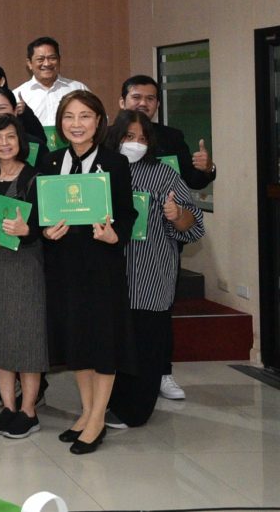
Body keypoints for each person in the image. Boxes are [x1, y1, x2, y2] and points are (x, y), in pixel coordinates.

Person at [38, 90, 136, 455]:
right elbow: (40, 213)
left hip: (101, 267)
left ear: (98, 122)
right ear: (60, 123)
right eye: (69, 117)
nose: (76, 124)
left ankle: (97, 419)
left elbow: (127, 213)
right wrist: (46, 232)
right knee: (77, 340)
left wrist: (115, 234)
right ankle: (86, 411)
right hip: (64, 268)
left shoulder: (114, 163)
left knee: (103, 341)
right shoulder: (51, 162)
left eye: (84, 116)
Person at [118, 75, 216, 400]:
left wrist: (206, 170)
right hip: (113, 260)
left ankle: (161, 374)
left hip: (155, 251)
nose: (143, 103)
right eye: (136, 97)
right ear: (122, 102)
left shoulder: (169, 144)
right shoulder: (102, 159)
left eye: (150, 98)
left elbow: (191, 187)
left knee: (156, 319)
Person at [106, 110, 204, 427]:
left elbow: (195, 226)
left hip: (149, 274)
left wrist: (177, 214)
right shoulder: (100, 170)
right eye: (128, 136)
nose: (135, 143)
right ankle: (105, 404)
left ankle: (135, 411)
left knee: (145, 346)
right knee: (110, 346)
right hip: (108, 277)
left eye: (142, 138)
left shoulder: (163, 175)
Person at [0, 113, 48, 440]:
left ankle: (29, 410)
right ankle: (7, 406)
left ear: (21, 141)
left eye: (10, 137)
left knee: (27, 339)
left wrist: (27, 230)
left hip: (25, 266)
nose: (4, 143)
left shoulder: (36, 178)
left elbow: (46, 227)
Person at [13, 37, 89, 128]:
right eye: (40, 59)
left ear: (59, 60)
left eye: (52, 58)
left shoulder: (77, 89)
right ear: (29, 63)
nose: (47, 64)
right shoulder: (18, 95)